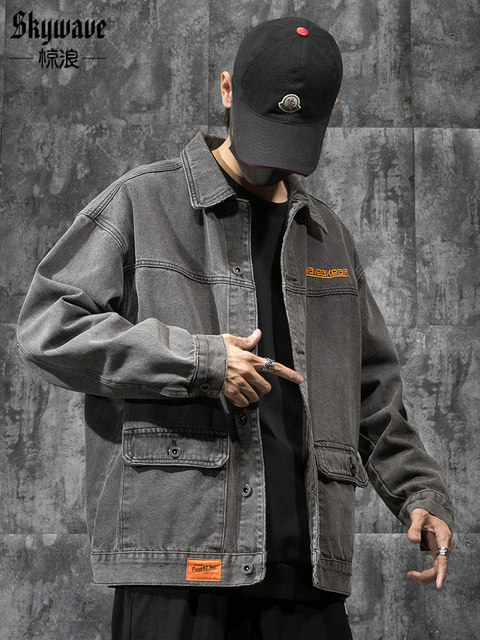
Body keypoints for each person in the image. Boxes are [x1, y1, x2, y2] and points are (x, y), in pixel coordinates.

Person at [16, 16, 455, 640]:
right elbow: (47, 327)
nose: (271, 156)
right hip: (180, 569)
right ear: (226, 89)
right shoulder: (143, 202)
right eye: (262, 129)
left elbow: (372, 391)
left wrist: (419, 493)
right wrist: (198, 363)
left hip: (307, 574)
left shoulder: (327, 235)